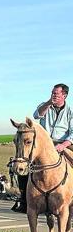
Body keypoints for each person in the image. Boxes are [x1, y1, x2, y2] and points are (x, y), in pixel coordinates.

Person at [13, 83, 73, 213]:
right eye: (52, 93)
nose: (53, 95)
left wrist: (63, 145)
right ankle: (24, 200)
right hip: (44, 143)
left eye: (56, 93)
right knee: (24, 163)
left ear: (64, 95)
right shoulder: (45, 106)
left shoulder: (70, 111)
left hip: (63, 143)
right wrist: (48, 103)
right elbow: (36, 115)